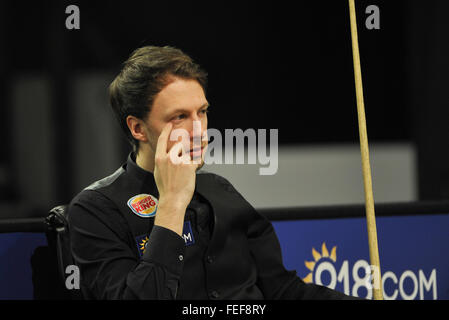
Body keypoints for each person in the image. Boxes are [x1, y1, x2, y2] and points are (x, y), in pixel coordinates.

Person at [68, 45, 359, 300]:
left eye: (202, 112)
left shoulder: (220, 190)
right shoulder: (95, 210)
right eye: (180, 116)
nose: (199, 131)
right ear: (137, 128)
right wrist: (171, 204)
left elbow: (284, 291)